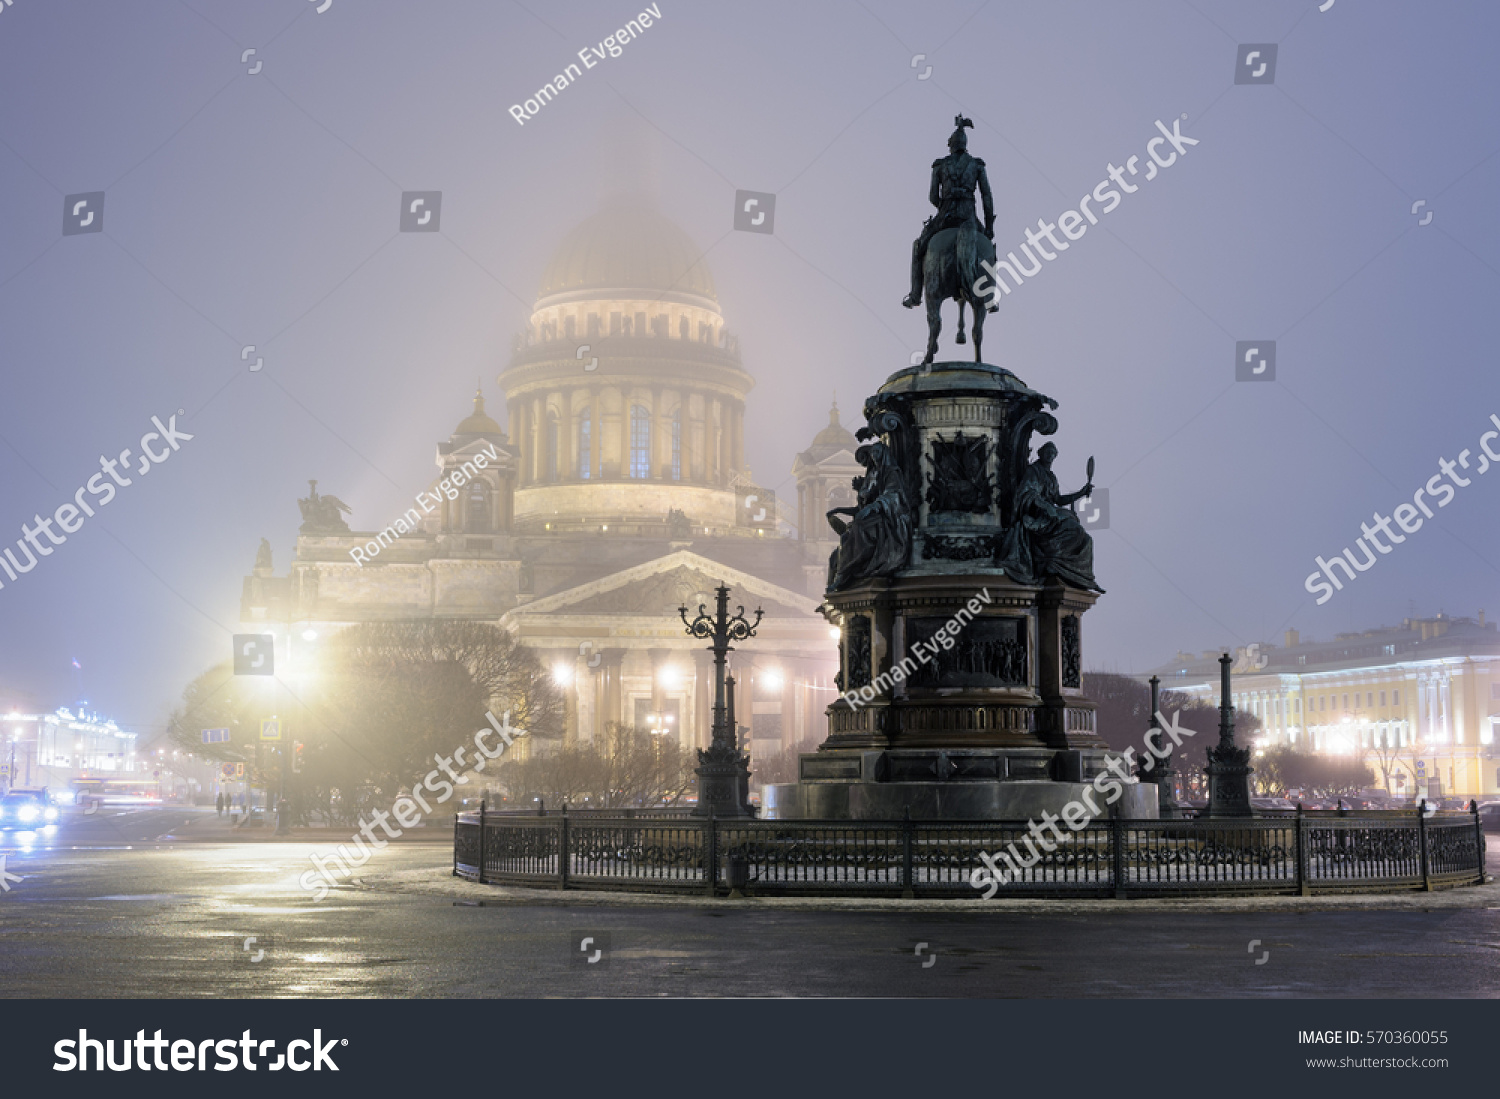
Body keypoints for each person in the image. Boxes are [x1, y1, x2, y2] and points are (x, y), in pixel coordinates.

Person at [903, 115, 995, 309]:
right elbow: (987, 196)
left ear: (950, 145)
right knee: (990, 251)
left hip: (945, 215)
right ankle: (989, 296)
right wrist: (989, 226)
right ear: (965, 145)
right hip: (969, 215)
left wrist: (943, 206)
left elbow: (932, 196)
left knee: (919, 248)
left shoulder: (940, 165)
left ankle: (915, 294)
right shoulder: (978, 165)